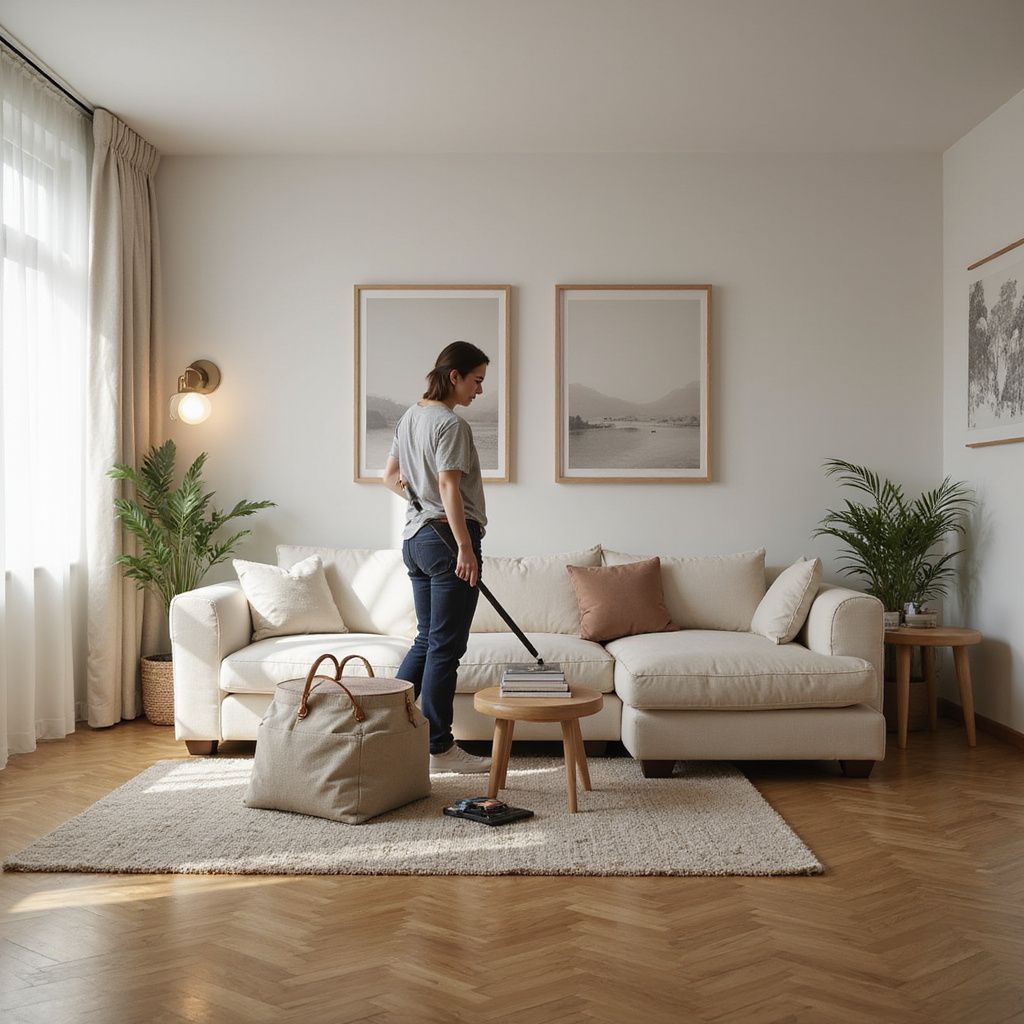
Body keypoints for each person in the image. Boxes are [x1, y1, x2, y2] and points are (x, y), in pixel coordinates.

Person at [383, 341, 492, 773]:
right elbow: (449, 487)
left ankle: (383, 726)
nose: (479, 391)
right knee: (446, 647)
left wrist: (418, 503)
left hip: (416, 539)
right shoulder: (450, 424)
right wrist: (465, 547)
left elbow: (391, 477)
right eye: (477, 380)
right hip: (447, 540)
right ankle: (440, 747)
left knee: (427, 640)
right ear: (455, 377)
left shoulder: (409, 417)